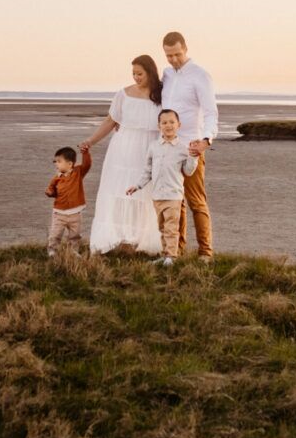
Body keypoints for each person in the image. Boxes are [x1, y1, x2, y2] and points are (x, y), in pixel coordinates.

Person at [79, 55, 162, 255]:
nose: (136, 77)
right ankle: (119, 237)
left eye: (140, 73)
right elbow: (110, 121)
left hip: (150, 148)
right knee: (119, 191)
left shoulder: (162, 94)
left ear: (150, 72)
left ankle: (141, 240)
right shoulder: (123, 94)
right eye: (133, 73)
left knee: (146, 194)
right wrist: (91, 140)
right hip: (123, 148)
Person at [161, 31, 218, 260]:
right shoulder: (166, 75)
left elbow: (211, 112)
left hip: (191, 147)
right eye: (168, 56)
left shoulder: (200, 75)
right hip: (168, 147)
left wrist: (206, 141)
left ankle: (206, 252)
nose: (173, 59)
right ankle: (178, 250)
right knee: (176, 201)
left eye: (177, 54)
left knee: (196, 200)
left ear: (185, 48)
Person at [126, 108, 197, 265]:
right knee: (162, 227)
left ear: (179, 124)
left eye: (172, 122)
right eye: (164, 122)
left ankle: (171, 257)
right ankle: (166, 255)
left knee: (172, 227)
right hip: (157, 195)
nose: (168, 125)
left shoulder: (183, 148)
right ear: (159, 126)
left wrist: (193, 157)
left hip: (173, 195)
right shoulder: (154, 147)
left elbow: (188, 171)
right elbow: (148, 171)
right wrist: (137, 186)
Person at [45, 145, 91, 256]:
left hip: (75, 213)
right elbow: (50, 189)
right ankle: (52, 250)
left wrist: (85, 153)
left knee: (75, 235)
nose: (56, 164)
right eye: (55, 161)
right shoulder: (56, 178)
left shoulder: (78, 173)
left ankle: (73, 251)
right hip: (59, 213)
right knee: (55, 234)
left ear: (70, 164)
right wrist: (50, 192)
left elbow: (87, 165)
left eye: (59, 161)